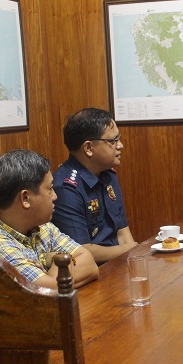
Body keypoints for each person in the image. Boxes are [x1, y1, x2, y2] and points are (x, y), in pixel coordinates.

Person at [0, 149, 99, 289]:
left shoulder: (41, 225)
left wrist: (57, 261)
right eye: (50, 189)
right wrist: (61, 261)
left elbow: (90, 264)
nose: (55, 196)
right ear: (25, 198)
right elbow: (46, 292)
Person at [52, 108, 137, 265]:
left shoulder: (108, 174)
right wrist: (131, 249)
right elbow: (82, 250)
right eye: (113, 141)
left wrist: (134, 260)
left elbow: (122, 232)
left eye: (118, 139)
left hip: (119, 263)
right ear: (89, 148)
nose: (120, 145)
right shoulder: (66, 189)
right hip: (92, 270)